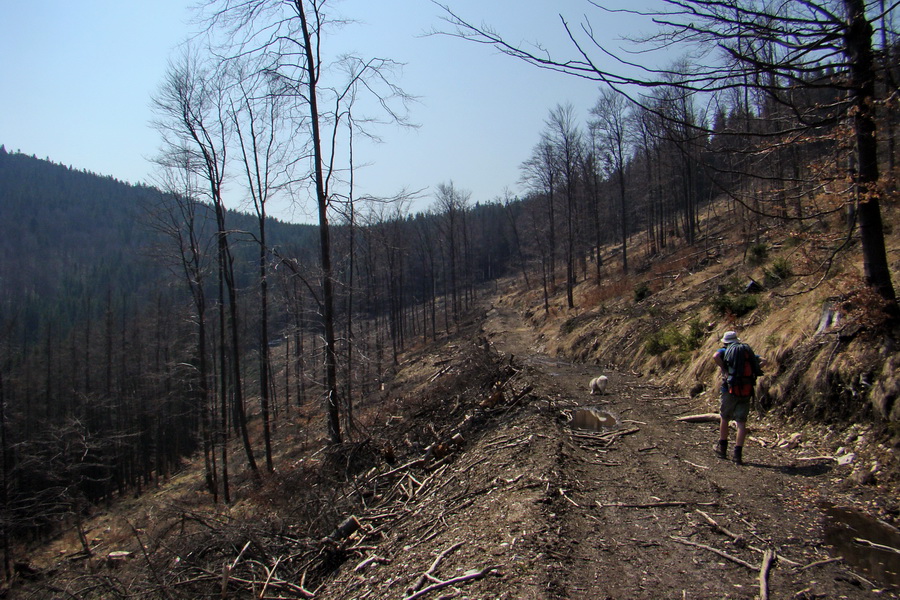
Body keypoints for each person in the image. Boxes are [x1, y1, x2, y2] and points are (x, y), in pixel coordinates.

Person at [713, 331, 764, 465]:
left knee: (724, 417)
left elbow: (715, 356)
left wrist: (724, 369)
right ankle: (738, 455)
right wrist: (753, 371)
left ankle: (722, 448)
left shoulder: (725, 350)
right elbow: (764, 360)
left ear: (725, 342)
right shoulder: (746, 351)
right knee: (741, 422)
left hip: (729, 388)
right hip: (746, 389)